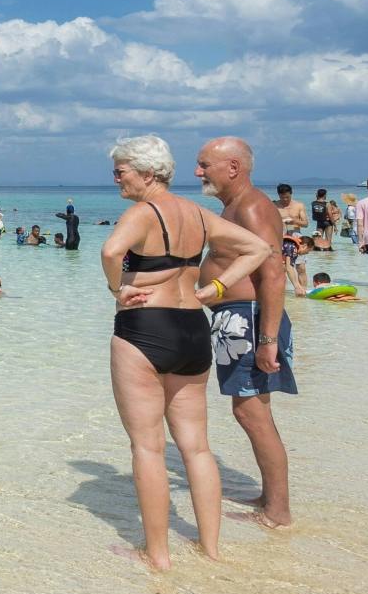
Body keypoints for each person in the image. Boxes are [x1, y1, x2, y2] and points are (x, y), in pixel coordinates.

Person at [103, 135, 271, 571]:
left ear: (145, 173)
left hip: (145, 329)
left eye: (120, 171)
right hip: (193, 328)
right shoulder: (197, 213)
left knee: (148, 447)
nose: (116, 178)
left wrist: (117, 288)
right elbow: (258, 249)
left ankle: (157, 555)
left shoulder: (142, 213)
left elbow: (111, 250)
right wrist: (215, 288)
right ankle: (211, 548)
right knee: (196, 448)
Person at [195, 136, 299, 532]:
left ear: (233, 167)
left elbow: (272, 272)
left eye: (205, 164)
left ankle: (278, 512)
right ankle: (270, 499)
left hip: (249, 320)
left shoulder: (253, 207)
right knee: (255, 412)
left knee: (251, 413)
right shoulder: (236, 207)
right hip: (239, 319)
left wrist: (268, 340)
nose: (198, 172)